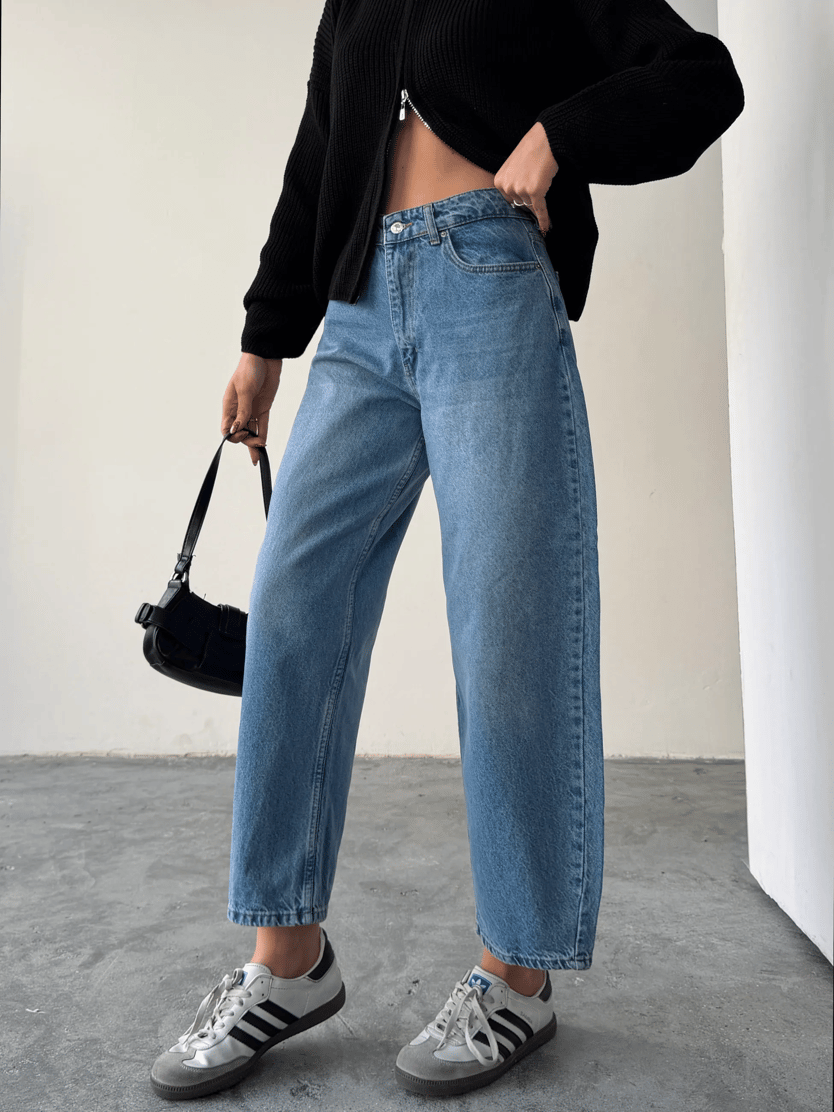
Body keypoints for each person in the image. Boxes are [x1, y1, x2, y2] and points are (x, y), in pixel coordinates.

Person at [150, 0, 744, 1100]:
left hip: (489, 280)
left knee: (508, 623)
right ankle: (288, 957)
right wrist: (263, 340)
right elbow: (320, 154)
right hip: (357, 309)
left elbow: (702, 77)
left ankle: (518, 970)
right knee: (292, 612)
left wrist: (560, 135)